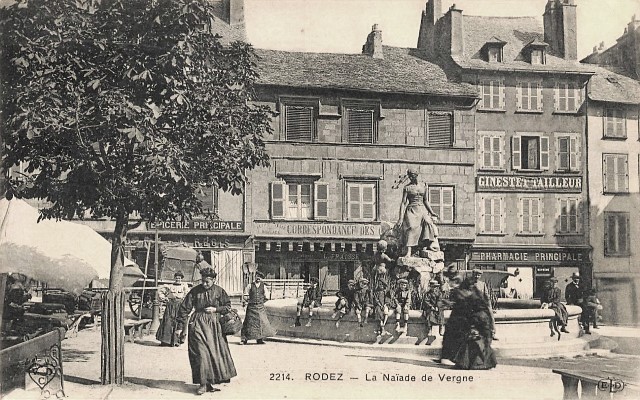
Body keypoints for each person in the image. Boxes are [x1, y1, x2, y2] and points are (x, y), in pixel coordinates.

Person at [175, 268, 237, 395]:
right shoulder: (195, 291)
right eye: (203, 281)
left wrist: (216, 309)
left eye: (207, 281)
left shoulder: (220, 291)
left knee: (213, 354)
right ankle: (202, 384)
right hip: (197, 323)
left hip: (214, 326)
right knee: (200, 353)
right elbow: (184, 308)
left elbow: (228, 307)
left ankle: (209, 382)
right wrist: (180, 326)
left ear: (213, 280)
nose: (204, 284)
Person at [450, 281, 497, 370]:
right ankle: (473, 363)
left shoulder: (475, 298)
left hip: (478, 321)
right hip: (477, 321)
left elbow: (480, 311)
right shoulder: (471, 298)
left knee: (474, 341)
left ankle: (474, 363)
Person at [397, 169, 440, 257]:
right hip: (411, 210)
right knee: (412, 227)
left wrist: (432, 212)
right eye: (410, 176)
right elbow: (403, 203)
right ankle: (409, 251)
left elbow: (425, 200)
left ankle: (426, 244)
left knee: (428, 222)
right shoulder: (407, 188)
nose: (411, 178)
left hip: (422, 209)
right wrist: (400, 218)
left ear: (416, 175)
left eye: (412, 175)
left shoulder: (423, 186)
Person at [459, 269, 497, 340]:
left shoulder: (482, 284)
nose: (477, 276)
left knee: (491, 316)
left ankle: (492, 333)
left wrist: (489, 307)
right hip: (472, 305)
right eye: (475, 274)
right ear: (473, 275)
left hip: (482, 305)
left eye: (478, 275)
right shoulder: (468, 284)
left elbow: (487, 296)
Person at [156, 271, 190, 347]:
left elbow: (188, 296)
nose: (178, 279)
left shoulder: (184, 287)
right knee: (168, 322)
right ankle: (166, 341)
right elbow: (160, 291)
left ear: (181, 279)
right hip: (171, 306)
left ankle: (176, 341)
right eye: (177, 278)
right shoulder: (169, 286)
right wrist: (164, 298)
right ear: (174, 278)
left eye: (179, 278)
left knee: (178, 322)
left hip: (180, 306)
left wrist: (184, 303)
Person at [241, 271, 276, 345]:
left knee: (262, 322)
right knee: (248, 323)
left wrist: (262, 302)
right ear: (255, 277)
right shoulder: (250, 285)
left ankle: (259, 339)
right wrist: (248, 300)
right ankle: (244, 339)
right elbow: (245, 295)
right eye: (257, 276)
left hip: (260, 307)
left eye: (260, 277)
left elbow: (267, 296)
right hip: (251, 307)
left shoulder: (263, 286)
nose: (258, 278)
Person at [422, 279, 444, 345]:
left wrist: (437, 306)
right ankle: (429, 329)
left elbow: (440, 300)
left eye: (435, 287)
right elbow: (426, 301)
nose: (433, 288)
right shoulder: (427, 294)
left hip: (438, 307)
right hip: (430, 307)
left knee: (441, 313)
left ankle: (441, 326)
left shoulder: (439, 293)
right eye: (432, 286)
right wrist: (431, 306)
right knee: (429, 314)